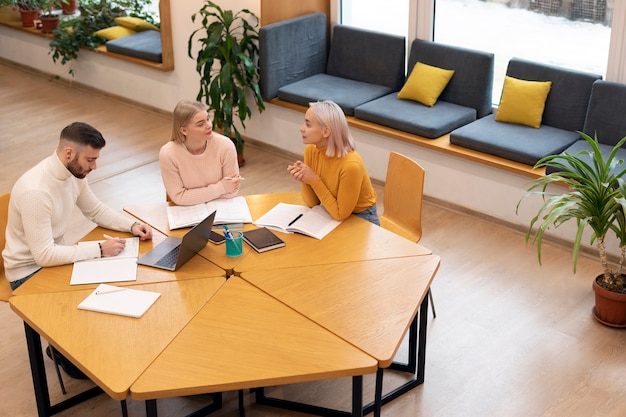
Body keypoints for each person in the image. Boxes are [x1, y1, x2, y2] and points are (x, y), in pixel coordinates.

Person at [2, 121, 153, 378]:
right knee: (86, 359)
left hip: (53, 258)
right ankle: (68, 352)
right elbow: (44, 255)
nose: (95, 166)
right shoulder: (36, 191)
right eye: (91, 159)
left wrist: (132, 224)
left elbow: (95, 210)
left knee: (113, 286)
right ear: (69, 153)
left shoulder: (74, 174)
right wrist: (98, 249)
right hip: (28, 272)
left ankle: (88, 347)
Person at [287, 100, 380, 225]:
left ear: (326, 132)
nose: (301, 128)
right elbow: (312, 203)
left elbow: (340, 214)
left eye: (308, 125)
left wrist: (314, 180)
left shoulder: (351, 165)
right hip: (330, 208)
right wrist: (305, 178)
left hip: (361, 217)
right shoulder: (311, 151)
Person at [159, 99, 241, 206]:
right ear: (184, 131)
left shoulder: (225, 145)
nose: (209, 125)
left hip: (221, 209)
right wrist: (222, 188)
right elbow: (179, 197)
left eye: (208, 119)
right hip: (186, 213)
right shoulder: (168, 154)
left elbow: (232, 190)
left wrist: (193, 196)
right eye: (200, 124)